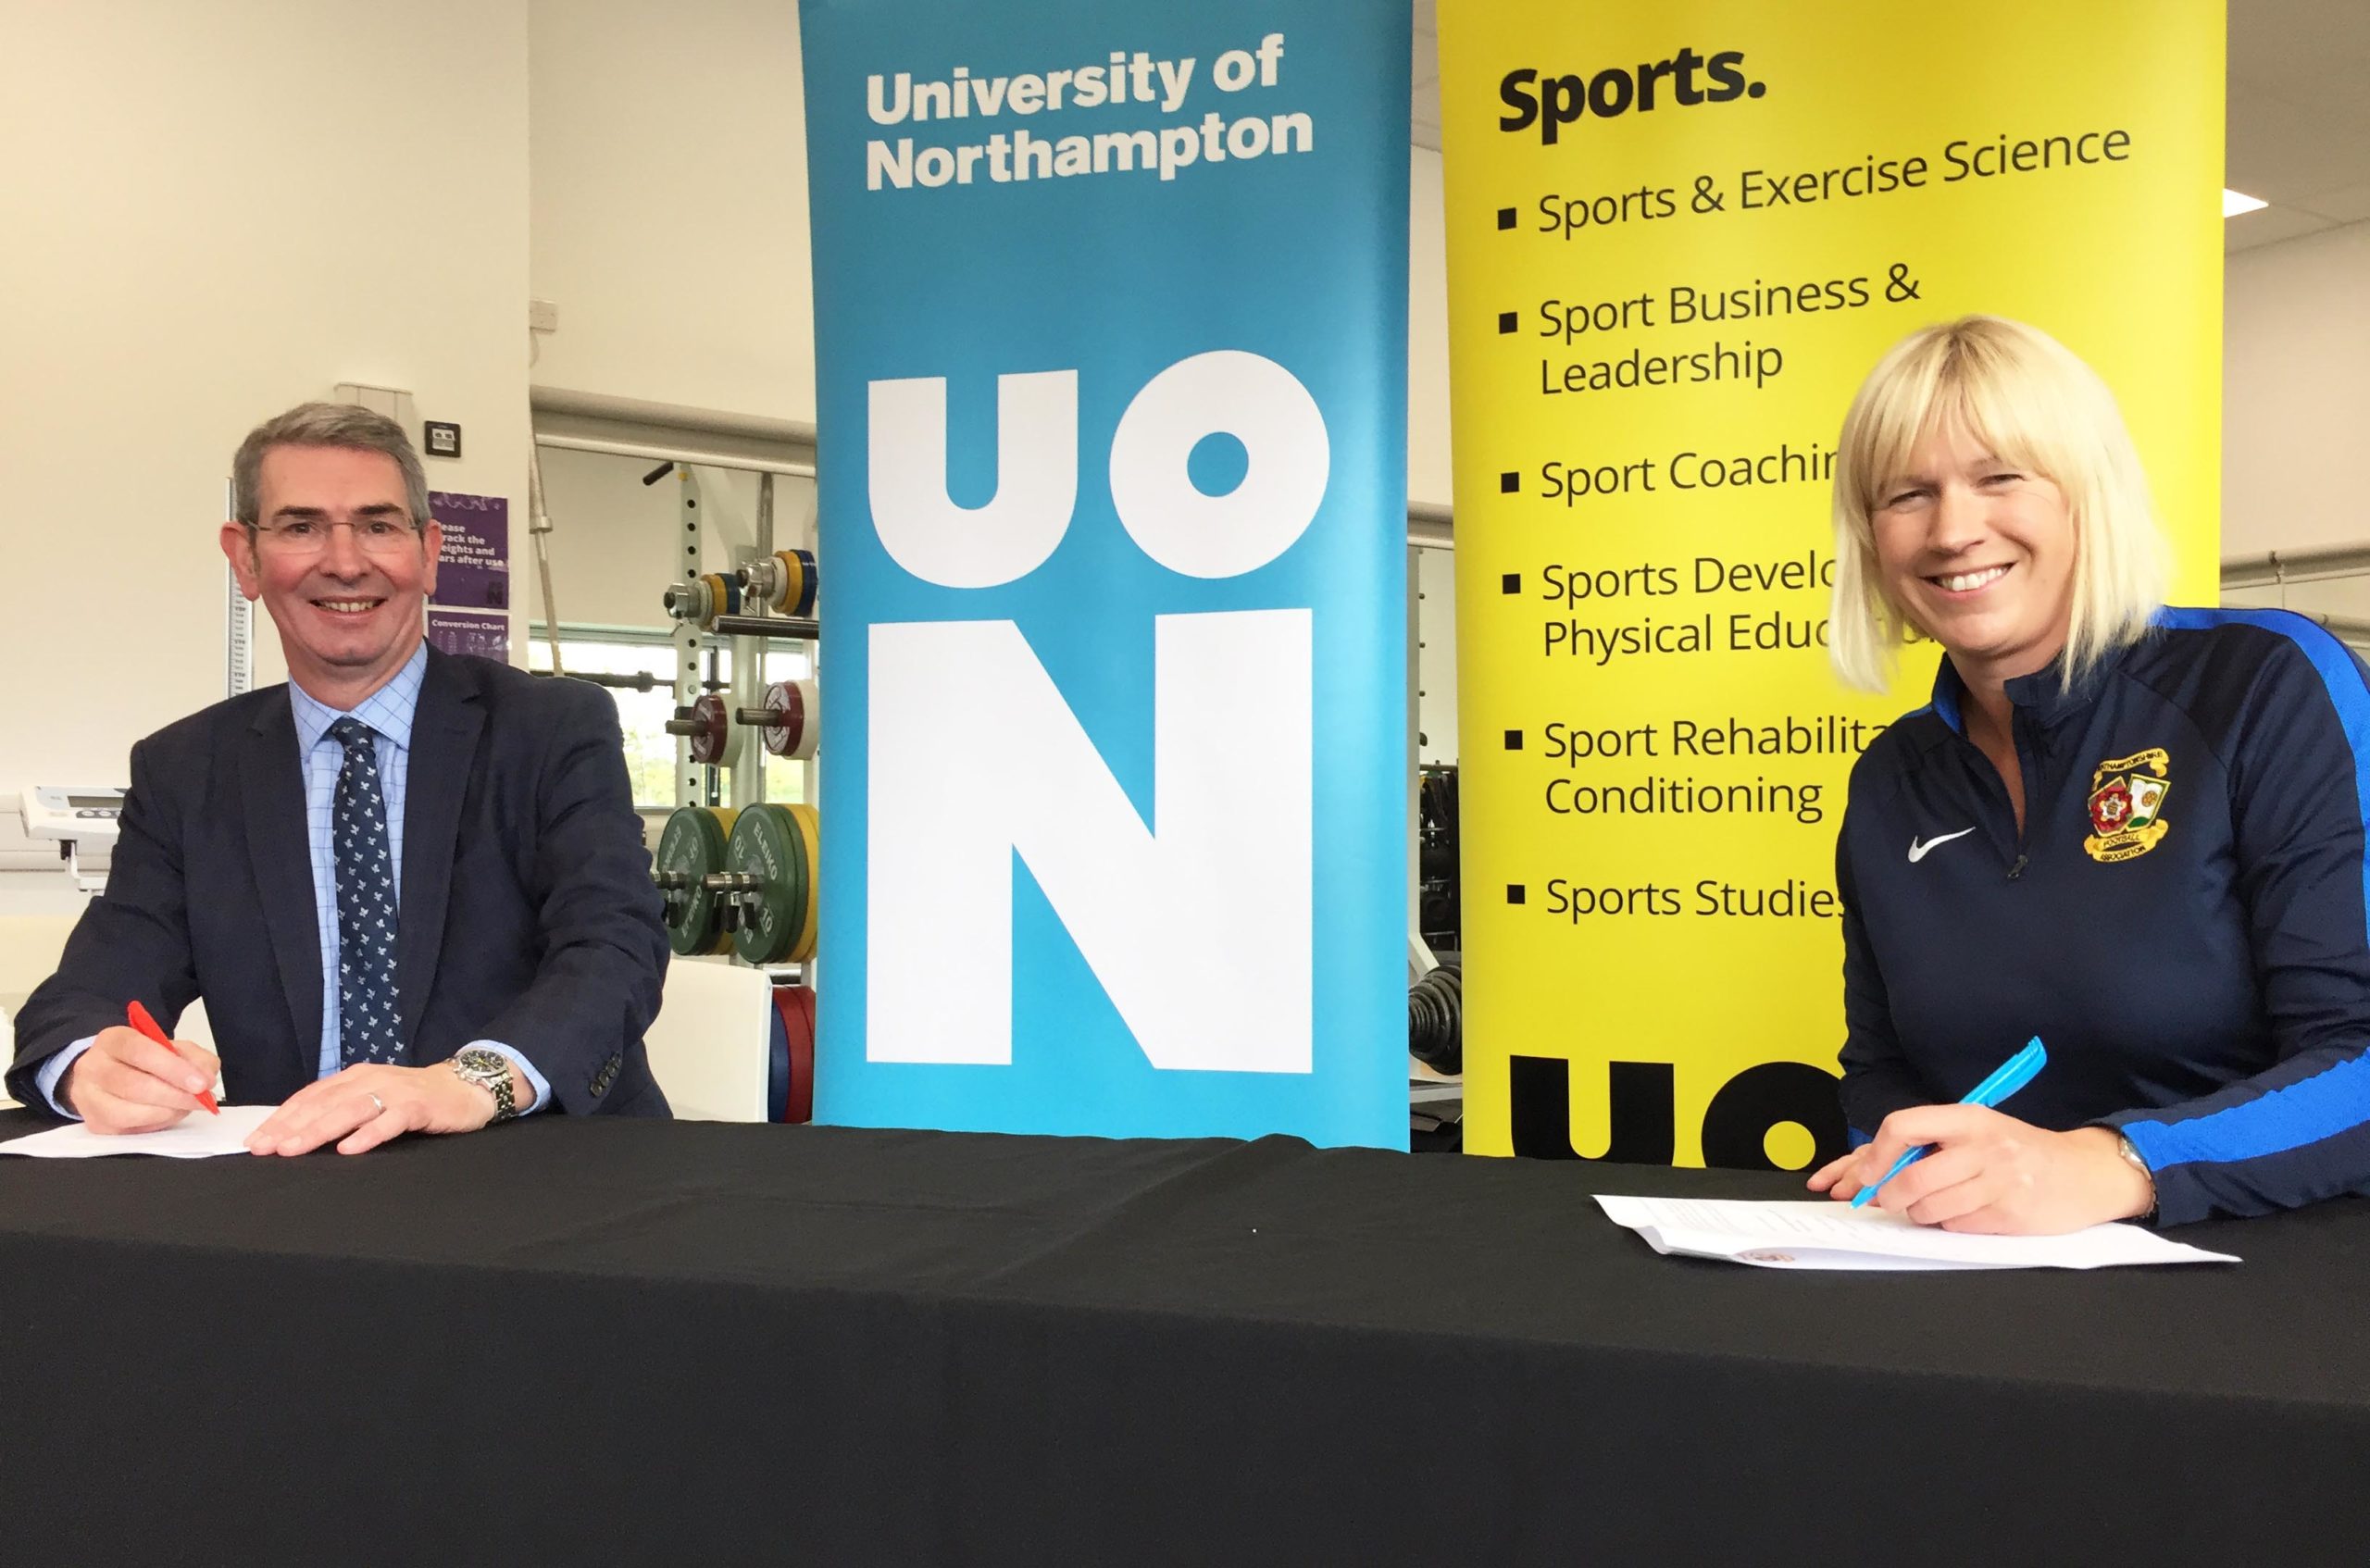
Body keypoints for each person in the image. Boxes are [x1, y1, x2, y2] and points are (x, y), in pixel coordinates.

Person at [1806, 315, 2370, 1231]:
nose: (1953, 529)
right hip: (1992, 1287)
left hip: (2280, 1288)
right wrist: (1907, 1161)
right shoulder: (1889, 778)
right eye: (1907, 493)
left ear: (2085, 495)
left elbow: (2361, 1056)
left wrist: (2115, 1161)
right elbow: (1880, 1067)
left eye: (2000, 478)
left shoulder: (2266, 684)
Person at [6, 403, 670, 1151]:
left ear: (428, 553)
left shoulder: (552, 729)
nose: (346, 562)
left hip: (540, 1169)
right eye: (300, 527)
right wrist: (89, 1062)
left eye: (379, 525)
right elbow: (93, 986)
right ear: (245, 560)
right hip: (303, 1191)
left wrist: (467, 1080)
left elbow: (614, 947)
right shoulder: (185, 772)